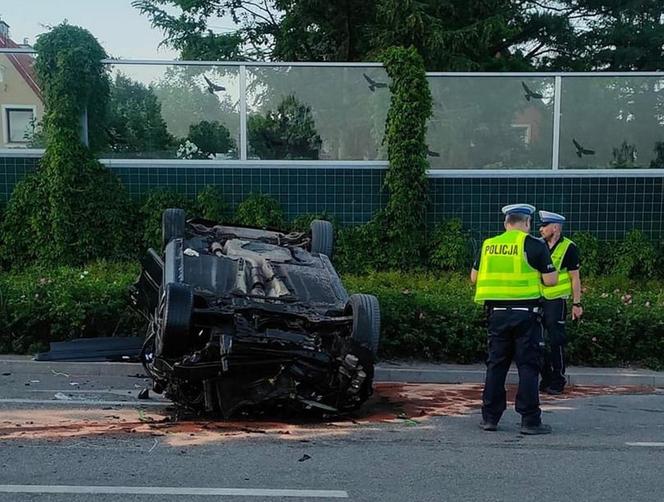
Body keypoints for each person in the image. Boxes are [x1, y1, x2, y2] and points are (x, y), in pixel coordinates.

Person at [471, 203, 557, 435]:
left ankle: (490, 418)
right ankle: (530, 421)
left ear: (506, 223)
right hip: (526, 316)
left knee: (496, 366)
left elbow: (474, 277)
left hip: (497, 315)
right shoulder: (534, 245)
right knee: (528, 367)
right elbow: (551, 281)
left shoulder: (488, 245)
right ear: (527, 223)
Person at [538, 210, 583, 395]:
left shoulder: (569, 247)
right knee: (536, 342)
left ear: (555, 228)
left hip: (556, 302)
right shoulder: (538, 245)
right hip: (537, 300)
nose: (540, 229)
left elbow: (575, 278)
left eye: (544, 226)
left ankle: (558, 379)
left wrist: (577, 303)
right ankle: (546, 377)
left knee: (556, 341)